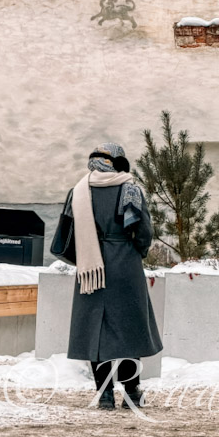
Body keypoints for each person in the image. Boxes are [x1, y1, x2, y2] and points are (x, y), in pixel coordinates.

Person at [60, 142, 162, 410]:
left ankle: (104, 393)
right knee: (129, 329)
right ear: (118, 163)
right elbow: (143, 231)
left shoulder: (78, 191)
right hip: (125, 263)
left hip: (90, 267)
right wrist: (136, 251)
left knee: (95, 330)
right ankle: (131, 392)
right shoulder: (130, 189)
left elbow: (68, 232)